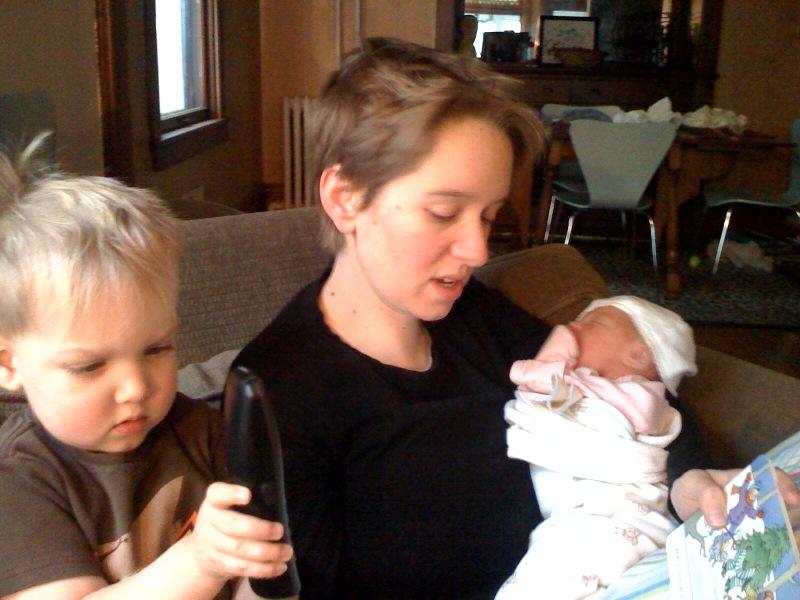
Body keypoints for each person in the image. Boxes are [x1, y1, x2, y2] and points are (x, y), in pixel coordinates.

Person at [234, 38, 786, 599]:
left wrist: (686, 483)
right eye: (444, 213)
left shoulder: (476, 315)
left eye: (489, 216)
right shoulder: (281, 391)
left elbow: (632, 394)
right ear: (345, 197)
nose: (478, 251)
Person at [0, 135, 293, 599]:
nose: (136, 387)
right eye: (90, 365)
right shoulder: (17, 481)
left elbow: (262, 576)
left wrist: (261, 565)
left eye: (156, 349)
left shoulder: (203, 431)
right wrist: (200, 561)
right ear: (9, 365)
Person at [496, 295, 697, 599]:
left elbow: (546, 384)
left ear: (638, 356)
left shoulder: (644, 398)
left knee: (540, 582)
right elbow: (548, 396)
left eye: (595, 322)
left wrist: (554, 357)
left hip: (621, 516)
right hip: (578, 519)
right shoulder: (583, 388)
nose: (574, 326)